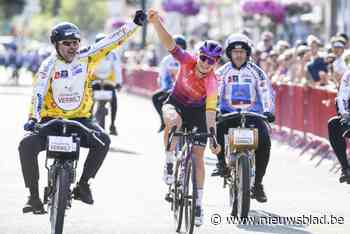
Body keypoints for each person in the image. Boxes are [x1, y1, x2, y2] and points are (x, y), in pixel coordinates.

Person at [18, 10, 147, 214]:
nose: (72, 47)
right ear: (56, 45)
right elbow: (38, 92)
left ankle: (83, 184)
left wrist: (134, 25)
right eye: (66, 43)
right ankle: (33, 197)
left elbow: (111, 41)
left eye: (75, 42)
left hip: (81, 121)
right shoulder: (47, 66)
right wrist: (33, 118)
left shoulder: (87, 57)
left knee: (104, 140)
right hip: (51, 120)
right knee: (25, 145)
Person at [147, 9, 221, 226]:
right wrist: (156, 23)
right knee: (173, 120)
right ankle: (169, 162)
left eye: (212, 60)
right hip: (176, 103)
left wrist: (213, 138)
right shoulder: (187, 60)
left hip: (199, 113)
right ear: (199, 55)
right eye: (205, 58)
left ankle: (198, 204)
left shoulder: (212, 82)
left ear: (216, 62)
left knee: (198, 157)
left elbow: (210, 112)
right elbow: (169, 43)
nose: (207, 63)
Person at [213, 33, 275, 203]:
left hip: (252, 115)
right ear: (229, 53)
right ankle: (222, 164)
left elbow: (265, 91)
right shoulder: (222, 72)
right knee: (216, 130)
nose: (238, 55)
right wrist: (216, 109)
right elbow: (215, 92)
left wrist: (269, 110)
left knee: (265, 142)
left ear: (247, 53)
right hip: (228, 114)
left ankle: (258, 184)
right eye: (235, 51)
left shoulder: (257, 72)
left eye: (242, 51)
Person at [151, 35, 187, 132]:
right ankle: (163, 120)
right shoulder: (166, 60)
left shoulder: (187, 58)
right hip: (169, 89)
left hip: (185, 90)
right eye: (175, 47)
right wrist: (164, 89)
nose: (178, 50)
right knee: (155, 97)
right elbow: (162, 76)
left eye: (180, 47)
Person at [92, 33, 123, 135]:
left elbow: (117, 69)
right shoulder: (111, 53)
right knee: (113, 102)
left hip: (101, 82)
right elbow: (117, 69)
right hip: (101, 82)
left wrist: (118, 82)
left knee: (113, 101)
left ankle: (111, 124)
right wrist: (119, 83)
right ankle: (112, 125)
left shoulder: (94, 52)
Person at [328, 69, 350, 184]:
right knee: (333, 124)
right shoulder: (348, 75)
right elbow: (342, 96)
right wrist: (345, 114)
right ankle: (345, 168)